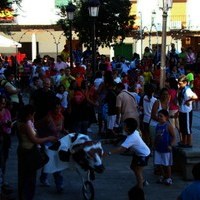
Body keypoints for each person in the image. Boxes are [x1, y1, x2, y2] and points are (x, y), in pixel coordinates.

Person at [17, 104, 57, 200]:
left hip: (24, 151)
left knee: (24, 176)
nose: (33, 117)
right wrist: (49, 138)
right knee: (29, 178)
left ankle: (24, 195)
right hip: (28, 153)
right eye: (32, 115)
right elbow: (35, 140)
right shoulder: (26, 125)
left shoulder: (21, 123)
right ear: (28, 115)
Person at [105, 118, 150, 190]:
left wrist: (109, 153)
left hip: (143, 155)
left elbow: (121, 149)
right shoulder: (134, 132)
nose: (122, 125)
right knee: (133, 167)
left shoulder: (132, 137)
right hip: (138, 154)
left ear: (128, 127)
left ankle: (140, 188)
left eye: (124, 125)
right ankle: (141, 181)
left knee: (138, 171)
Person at [154, 109, 176, 185]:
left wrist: (171, 145)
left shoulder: (168, 126)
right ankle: (162, 175)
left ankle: (169, 178)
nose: (159, 117)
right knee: (159, 163)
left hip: (166, 148)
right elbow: (156, 136)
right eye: (158, 116)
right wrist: (154, 145)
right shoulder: (157, 125)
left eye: (161, 116)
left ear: (166, 117)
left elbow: (173, 137)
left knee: (167, 164)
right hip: (158, 148)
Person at [177, 75, 198, 148]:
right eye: (178, 83)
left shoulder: (187, 90)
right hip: (182, 111)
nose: (179, 85)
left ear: (185, 83)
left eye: (180, 83)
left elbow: (195, 97)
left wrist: (188, 101)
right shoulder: (182, 89)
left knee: (187, 129)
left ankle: (189, 143)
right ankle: (183, 141)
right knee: (182, 128)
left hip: (187, 112)